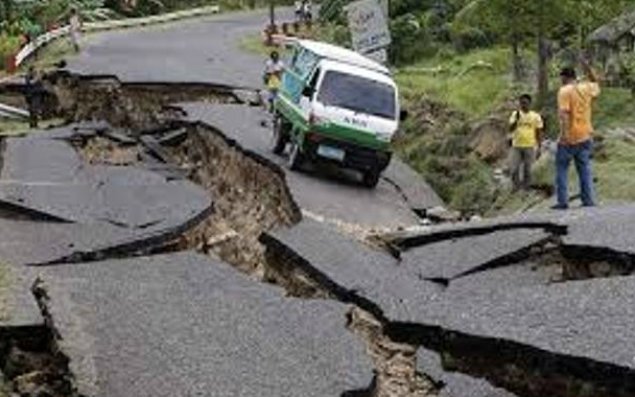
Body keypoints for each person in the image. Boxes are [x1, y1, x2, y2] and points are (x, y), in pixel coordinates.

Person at [554, 58, 601, 210]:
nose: (560, 81)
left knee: (561, 169)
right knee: (585, 169)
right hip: (586, 135)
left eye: (561, 78)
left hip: (570, 138)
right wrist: (587, 67)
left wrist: (564, 136)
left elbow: (564, 115)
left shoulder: (564, 91)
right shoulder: (587, 88)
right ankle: (588, 200)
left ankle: (563, 202)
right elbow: (596, 82)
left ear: (565, 77)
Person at [508, 94, 543, 190]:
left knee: (528, 169)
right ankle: (516, 187)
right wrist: (516, 120)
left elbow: (539, 132)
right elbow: (510, 129)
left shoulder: (535, 116)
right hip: (516, 145)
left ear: (530, 103)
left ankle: (526, 188)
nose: (523, 105)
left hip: (529, 145)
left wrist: (539, 146)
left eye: (525, 103)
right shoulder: (515, 114)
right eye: (522, 103)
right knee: (514, 168)